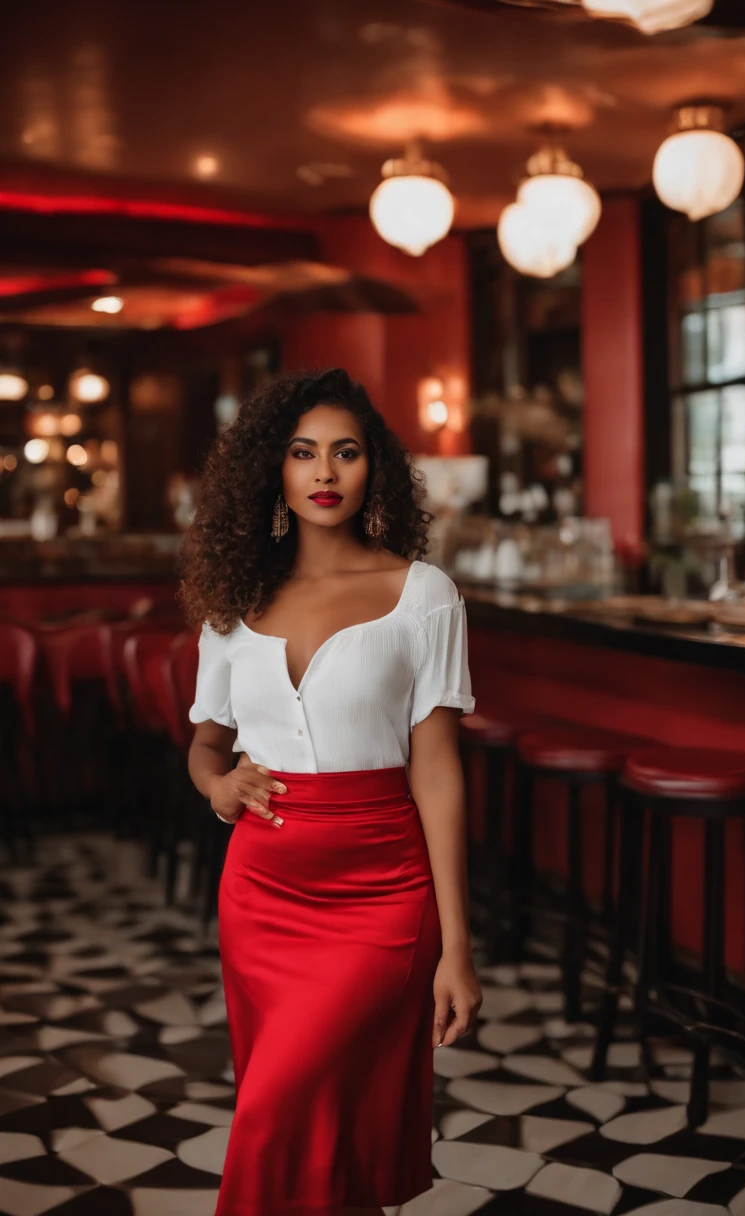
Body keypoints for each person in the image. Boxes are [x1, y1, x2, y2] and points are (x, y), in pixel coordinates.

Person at [179, 368, 482, 1216]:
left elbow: (438, 772)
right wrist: (221, 786)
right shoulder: (233, 607)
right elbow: (204, 748)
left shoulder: (423, 597)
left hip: (384, 894)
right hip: (262, 892)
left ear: (372, 468)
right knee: (308, 1117)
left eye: (345, 453)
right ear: (271, 472)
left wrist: (458, 943)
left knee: (281, 1107)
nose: (325, 472)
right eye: (303, 452)